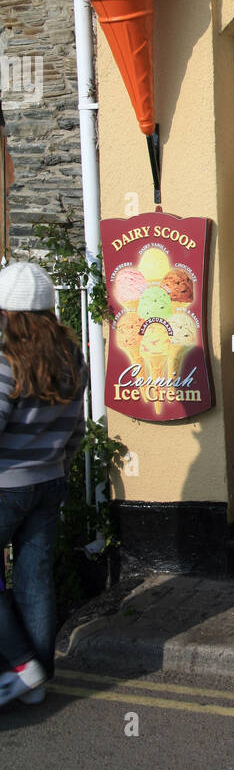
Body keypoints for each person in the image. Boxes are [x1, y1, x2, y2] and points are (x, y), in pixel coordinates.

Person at [0, 263, 87, 708]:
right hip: (49, 481)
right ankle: (37, 680)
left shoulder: (5, 363)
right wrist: (57, 465)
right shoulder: (73, 360)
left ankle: (20, 664)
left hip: (5, 487)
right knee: (35, 579)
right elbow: (75, 430)